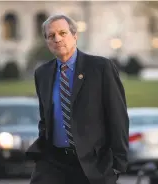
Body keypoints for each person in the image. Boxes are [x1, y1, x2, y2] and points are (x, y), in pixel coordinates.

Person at [25, 14, 129, 184]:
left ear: (75, 36)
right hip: (53, 163)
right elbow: (45, 117)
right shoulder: (42, 73)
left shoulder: (100, 68)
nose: (57, 39)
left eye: (62, 33)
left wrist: (118, 163)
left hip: (91, 163)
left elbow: (117, 116)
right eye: (51, 36)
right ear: (47, 42)